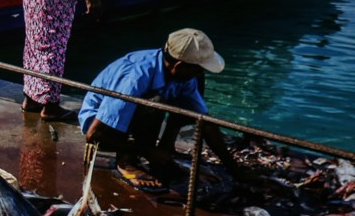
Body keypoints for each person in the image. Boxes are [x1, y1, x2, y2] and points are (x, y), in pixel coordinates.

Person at [78, 28, 245, 193]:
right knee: (155, 101)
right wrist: (147, 151)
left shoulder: (182, 75)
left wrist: (235, 171)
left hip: (138, 115)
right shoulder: (136, 77)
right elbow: (94, 136)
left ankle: (163, 150)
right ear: (179, 65)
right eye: (198, 68)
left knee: (185, 99)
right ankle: (126, 160)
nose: (200, 73)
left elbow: (205, 123)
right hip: (103, 124)